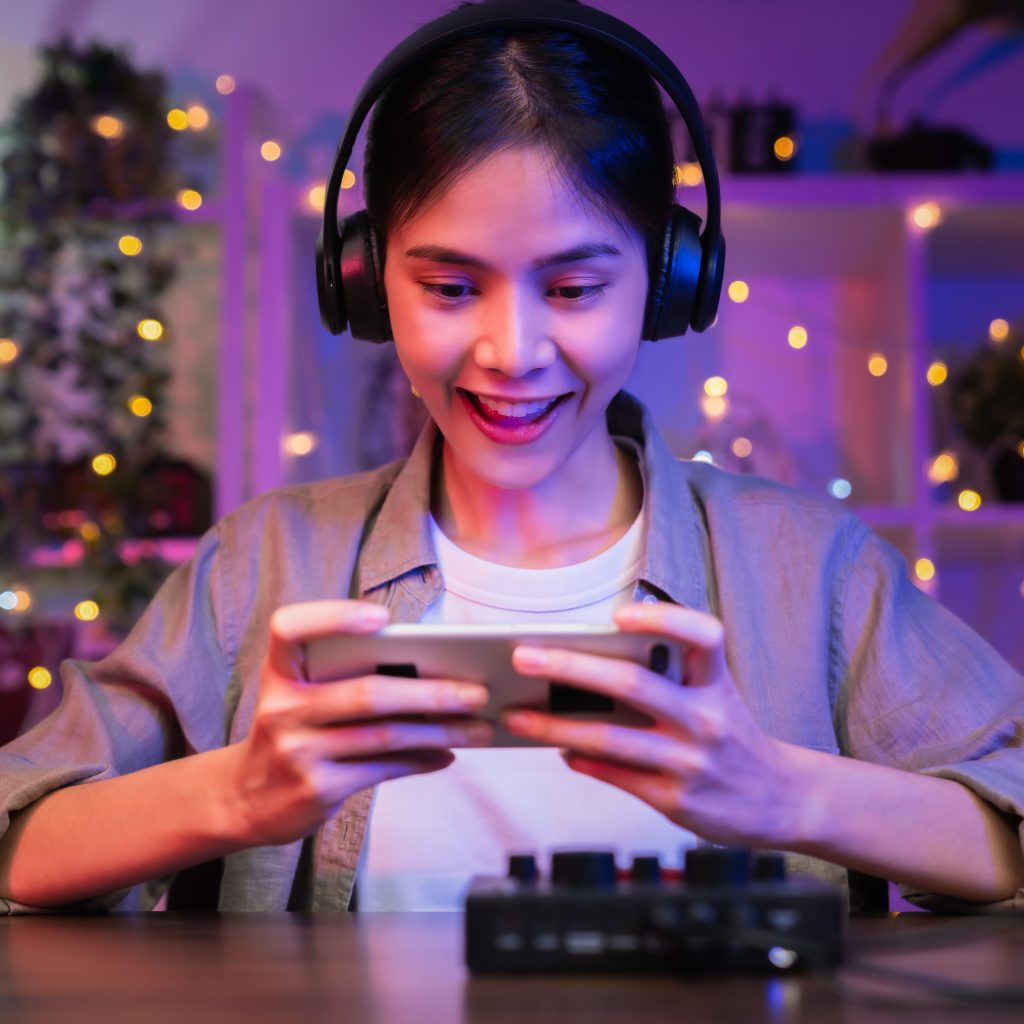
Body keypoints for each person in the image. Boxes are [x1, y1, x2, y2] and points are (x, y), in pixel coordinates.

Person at [1, 0, 1023, 915]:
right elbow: (19, 839)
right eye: (449, 287)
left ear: (670, 281)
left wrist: (780, 791)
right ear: (362, 282)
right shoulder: (264, 562)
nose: (511, 353)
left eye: (573, 289)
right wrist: (237, 792)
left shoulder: (811, 565)